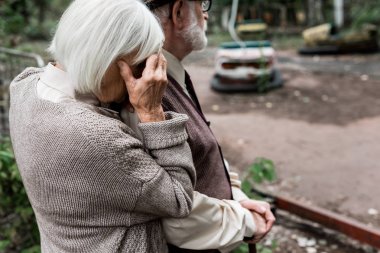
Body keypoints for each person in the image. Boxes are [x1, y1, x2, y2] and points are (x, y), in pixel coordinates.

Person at [9, 0, 196, 252]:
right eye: (140, 64)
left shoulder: (24, 85)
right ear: (106, 57)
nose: (143, 77)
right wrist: (152, 113)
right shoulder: (97, 138)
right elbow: (179, 198)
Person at [141, 0, 276, 252]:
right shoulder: (148, 90)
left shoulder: (168, 74)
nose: (206, 13)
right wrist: (246, 222)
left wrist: (238, 198)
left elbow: (202, 156)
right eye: (201, 2)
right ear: (178, 12)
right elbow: (172, 211)